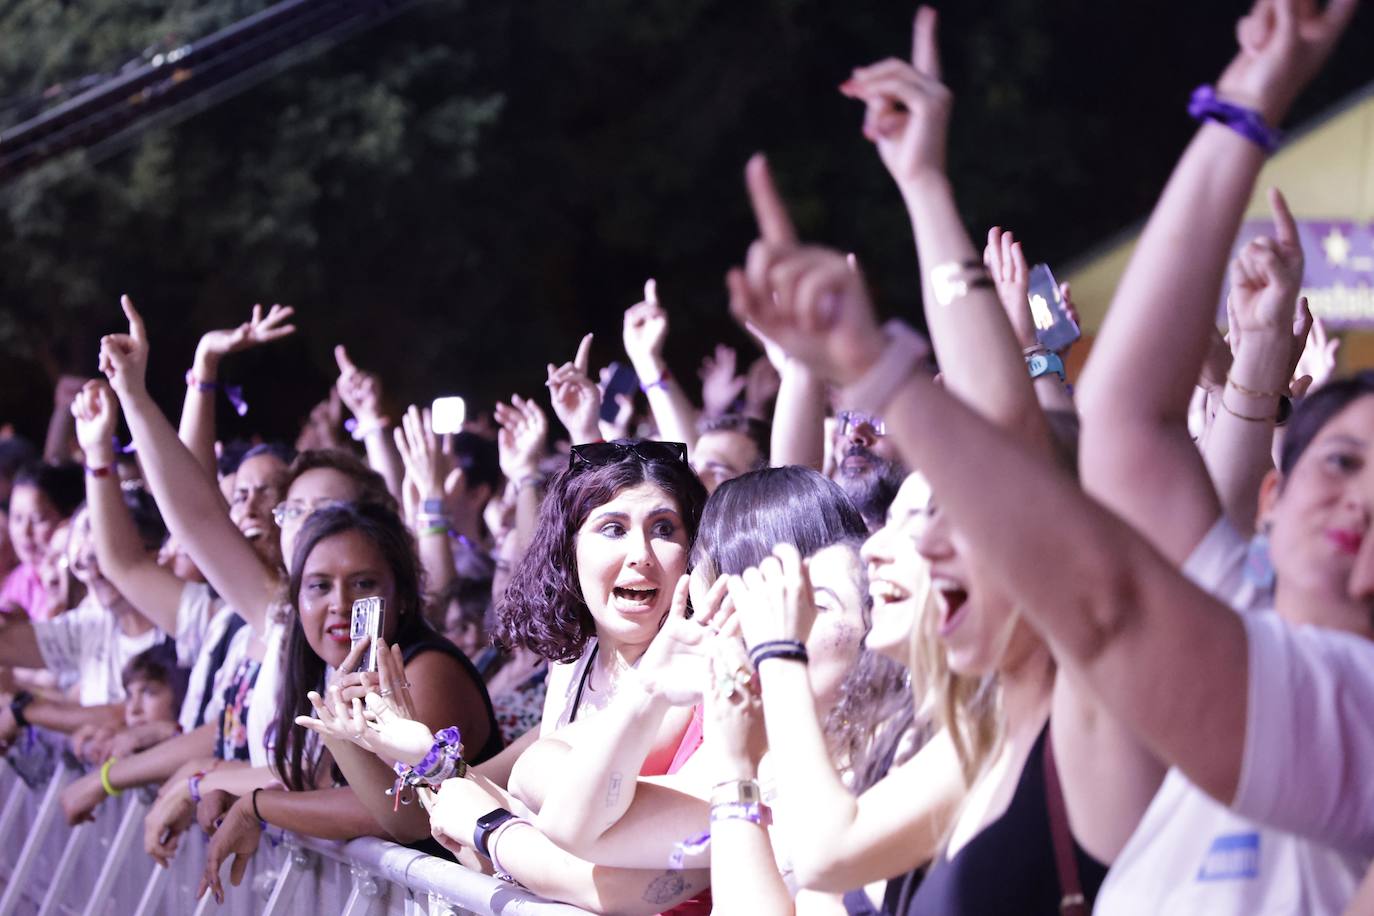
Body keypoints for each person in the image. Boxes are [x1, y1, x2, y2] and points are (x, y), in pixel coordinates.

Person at [301, 437, 713, 914]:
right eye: (613, 528)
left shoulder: (692, 678)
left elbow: (593, 879)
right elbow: (509, 825)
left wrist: (478, 817)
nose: (641, 553)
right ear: (570, 549)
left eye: (664, 528)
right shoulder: (575, 662)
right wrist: (415, 751)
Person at [1, 462, 84, 619]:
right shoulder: (18, 583)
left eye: (38, 519)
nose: (25, 532)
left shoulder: (83, 575)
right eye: (17, 518)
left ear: (68, 517)